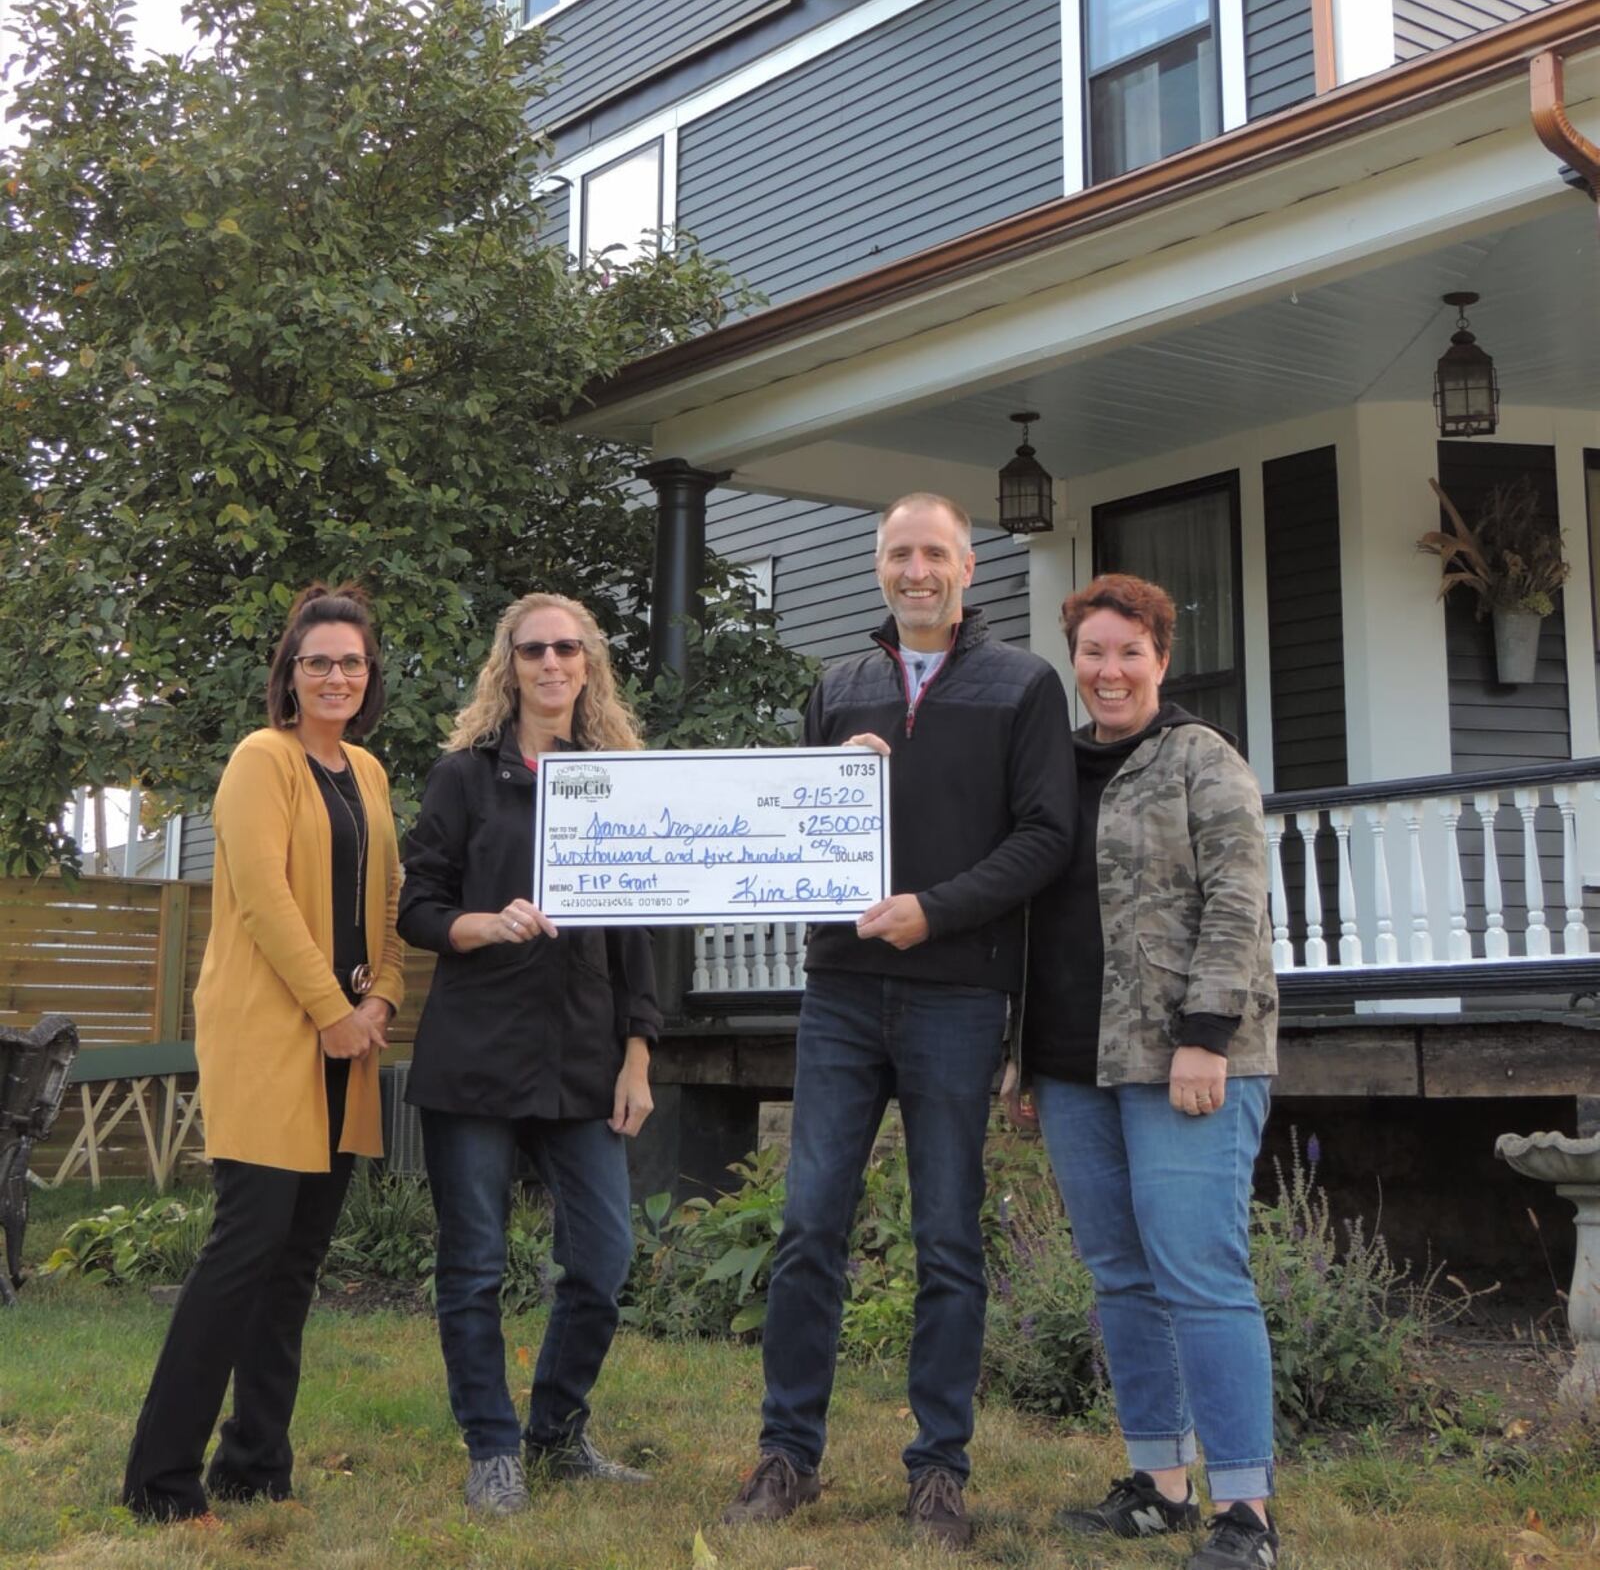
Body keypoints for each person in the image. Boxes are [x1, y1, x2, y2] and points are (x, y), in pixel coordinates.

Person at [723, 493, 1075, 1552]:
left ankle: (939, 1472)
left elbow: (1045, 835)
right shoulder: (839, 686)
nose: (914, 570)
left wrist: (938, 908)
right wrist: (831, 789)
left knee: (946, 1238)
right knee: (807, 1229)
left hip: (959, 994)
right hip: (837, 989)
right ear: (878, 567)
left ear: (967, 566)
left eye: (933, 552)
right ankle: (787, 1453)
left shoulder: (1022, 685)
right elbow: (795, 827)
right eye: (897, 554)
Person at [1005, 571, 1281, 1570]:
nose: (1108, 669)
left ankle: (1245, 1510)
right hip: (1074, 1063)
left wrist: (1205, 1032)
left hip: (1188, 1059)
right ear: (1071, 659)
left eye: (1129, 651)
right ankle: (1159, 1485)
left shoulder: (1202, 759)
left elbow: (1237, 899)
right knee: (1121, 1278)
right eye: (1092, 651)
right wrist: (1024, 1062)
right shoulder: (1050, 768)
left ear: (1160, 659)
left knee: (1200, 1274)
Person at [123, 584, 404, 1523]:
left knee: (296, 1262)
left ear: (370, 677)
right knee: (243, 1251)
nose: (335, 675)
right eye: (317, 660)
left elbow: (390, 902)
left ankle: (255, 1463)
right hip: (270, 1034)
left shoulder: (366, 771)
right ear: (288, 672)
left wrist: (384, 998)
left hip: (345, 1042)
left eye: (351, 662)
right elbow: (264, 902)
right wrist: (332, 1010)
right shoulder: (261, 759)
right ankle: (161, 1477)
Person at [397, 593, 660, 1519]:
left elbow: (639, 933)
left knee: (603, 1257)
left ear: (589, 663)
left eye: (569, 648)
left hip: (585, 1058)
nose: (552, 662)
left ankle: (556, 1430)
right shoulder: (462, 777)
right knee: (473, 1264)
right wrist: (480, 922)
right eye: (534, 649)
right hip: (474, 1057)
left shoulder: (619, 780)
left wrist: (638, 1053)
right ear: (509, 664)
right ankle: (493, 1447)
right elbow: (417, 905)